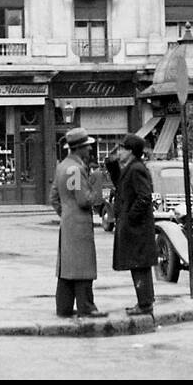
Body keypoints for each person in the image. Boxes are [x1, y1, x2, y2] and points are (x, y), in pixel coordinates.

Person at [49, 128, 106, 319]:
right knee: (83, 265)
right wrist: (96, 187)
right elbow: (84, 200)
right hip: (80, 223)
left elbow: (54, 197)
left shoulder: (61, 166)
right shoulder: (76, 169)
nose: (90, 150)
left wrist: (65, 213)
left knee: (66, 266)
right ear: (79, 148)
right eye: (87, 147)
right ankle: (86, 306)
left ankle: (63, 307)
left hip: (67, 222)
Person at [105, 133, 155, 317]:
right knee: (138, 265)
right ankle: (144, 301)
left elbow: (144, 197)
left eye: (122, 148)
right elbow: (120, 183)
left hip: (137, 228)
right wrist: (111, 163)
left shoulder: (136, 169)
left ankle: (145, 304)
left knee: (139, 265)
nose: (119, 152)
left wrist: (131, 217)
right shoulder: (130, 168)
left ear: (131, 151)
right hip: (134, 226)